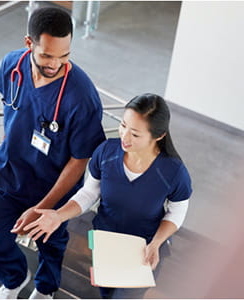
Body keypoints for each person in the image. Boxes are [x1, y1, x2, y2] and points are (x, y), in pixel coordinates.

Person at [0, 7, 106, 299]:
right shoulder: (12, 66)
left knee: (51, 245)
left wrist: (44, 207)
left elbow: (80, 158)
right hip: (9, 176)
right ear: (28, 43)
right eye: (47, 55)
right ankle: (16, 278)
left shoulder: (81, 97)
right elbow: (10, 107)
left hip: (53, 190)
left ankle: (45, 290)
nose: (55, 64)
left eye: (64, 55)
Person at [24, 93, 193, 299]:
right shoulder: (106, 152)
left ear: (158, 136)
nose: (125, 137)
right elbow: (89, 192)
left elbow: (177, 210)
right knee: (106, 292)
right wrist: (59, 215)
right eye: (123, 126)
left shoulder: (173, 172)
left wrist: (157, 242)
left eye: (136, 134)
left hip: (143, 250)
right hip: (106, 242)